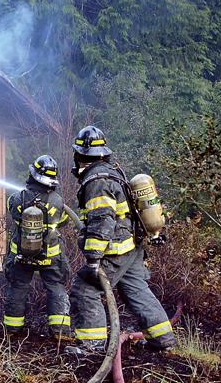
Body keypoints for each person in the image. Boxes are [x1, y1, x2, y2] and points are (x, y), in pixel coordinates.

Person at [69, 126, 176, 352]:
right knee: (136, 290)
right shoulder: (112, 171)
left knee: (84, 289)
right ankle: (163, 339)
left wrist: (93, 259)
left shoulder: (97, 181)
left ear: (80, 155)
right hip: (133, 246)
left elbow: (101, 221)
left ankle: (91, 344)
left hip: (116, 250)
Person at [3, 155, 72, 340]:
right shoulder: (57, 201)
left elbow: (13, 214)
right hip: (50, 256)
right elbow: (63, 221)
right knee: (55, 286)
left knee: (18, 287)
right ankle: (60, 331)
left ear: (32, 175)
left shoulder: (16, 198)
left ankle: (12, 329)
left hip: (21, 255)